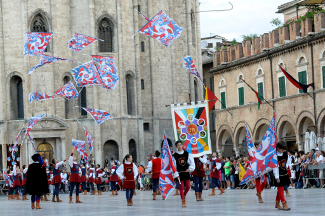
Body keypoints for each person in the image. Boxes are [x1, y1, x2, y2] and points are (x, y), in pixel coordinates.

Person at [172, 141, 195, 207]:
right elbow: (173, 166)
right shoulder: (174, 156)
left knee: (188, 186)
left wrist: (190, 168)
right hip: (179, 174)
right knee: (181, 187)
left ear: (182, 145)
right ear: (176, 147)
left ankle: (184, 195)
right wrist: (176, 174)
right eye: (178, 145)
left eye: (180, 145)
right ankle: (183, 201)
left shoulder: (187, 154)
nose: (179, 146)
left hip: (186, 172)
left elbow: (192, 163)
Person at [273, 142, 291, 211]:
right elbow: (275, 167)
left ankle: (277, 203)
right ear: (278, 148)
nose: (283, 151)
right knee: (280, 189)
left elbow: (287, 161)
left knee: (281, 189)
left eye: (284, 150)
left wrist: (288, 167)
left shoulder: (285, 154)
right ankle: (284, 203)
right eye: (282, 150)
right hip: (278, 174)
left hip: (284, 173)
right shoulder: (275, 156)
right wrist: (276, 177)